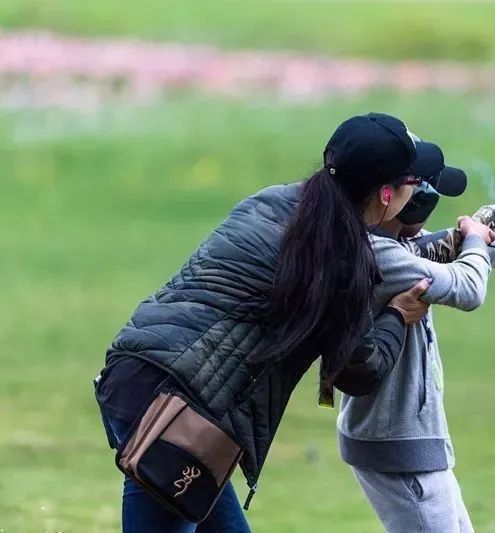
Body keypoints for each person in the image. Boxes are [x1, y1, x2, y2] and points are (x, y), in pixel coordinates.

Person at [93, 112, 470, 532]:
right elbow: (359, 371)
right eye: (412, 184)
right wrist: (399, 315)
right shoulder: (341, 258)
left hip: (140, 376)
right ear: (386, 195)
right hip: (181, 412)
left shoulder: (275, 200)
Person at [335, 169, 495, 532]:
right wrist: (473, 239)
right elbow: (468, 286)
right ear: (387, 197)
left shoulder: (392, 246)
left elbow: (455, 257)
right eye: (415, 186)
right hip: (399, 442)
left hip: (404, 437)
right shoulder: (381, 255)